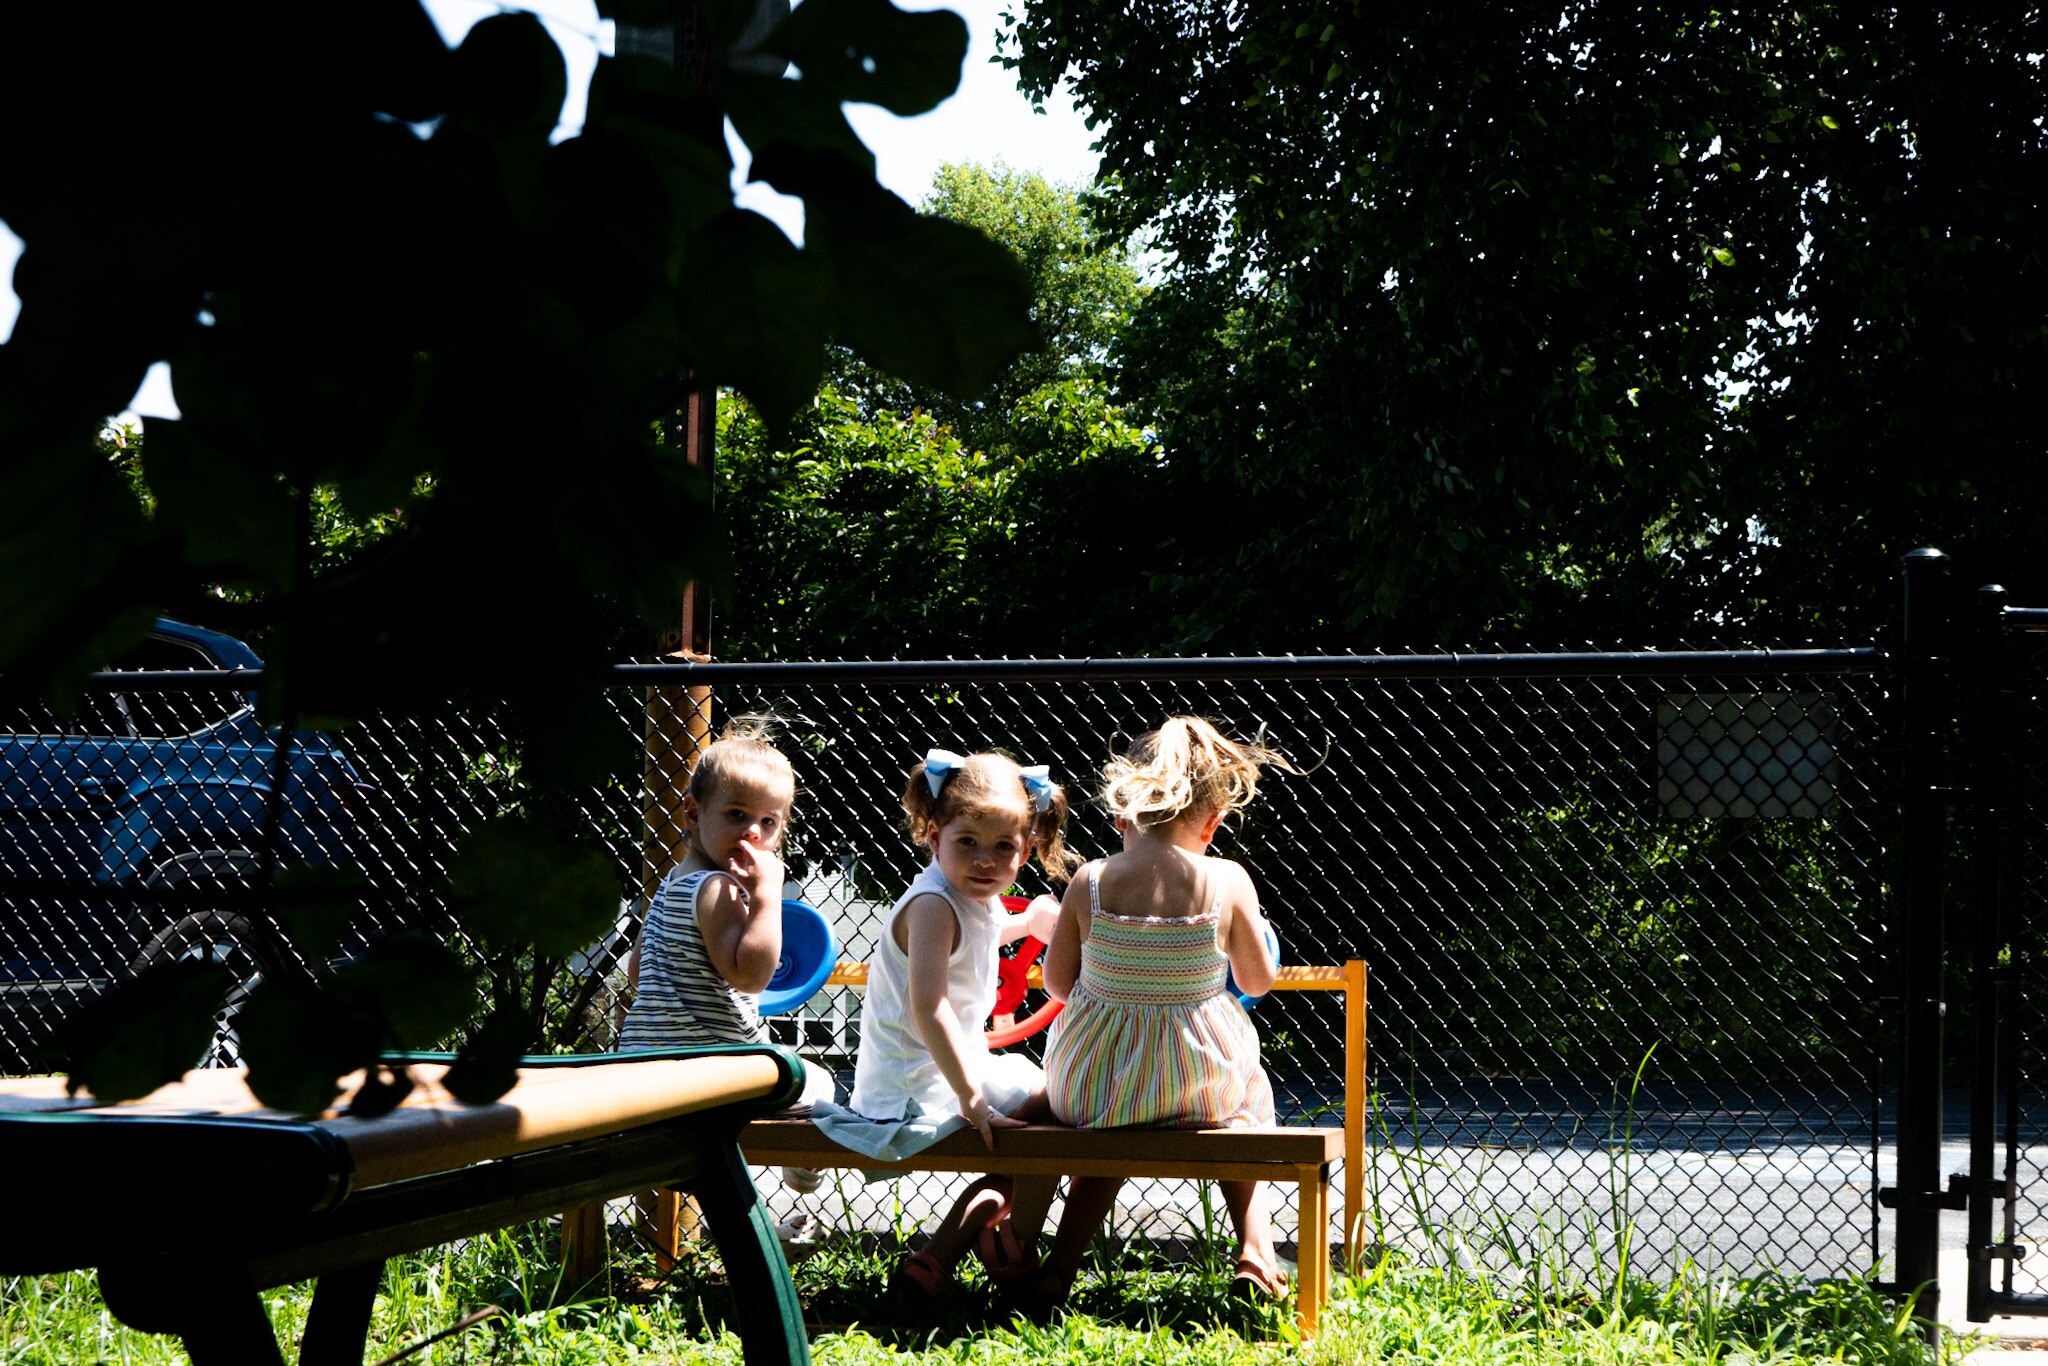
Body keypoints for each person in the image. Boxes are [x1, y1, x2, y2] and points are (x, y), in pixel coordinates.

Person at [1027, 716, 1295, 1312]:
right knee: (1245, 1110)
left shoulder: (1090, 880)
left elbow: (1059, 984)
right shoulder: (1227, 880)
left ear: (1122, 815)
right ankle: (1255, 1249)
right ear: (1213, 822)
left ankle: (1059, 1267)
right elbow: (1257, 980)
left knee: (1116, 1125)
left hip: (1093, 1086)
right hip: (1201, 1085)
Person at [846, 748, 1080, 1302]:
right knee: (1059, 1102)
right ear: (933, 837)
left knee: (1048, 1113)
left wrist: (1027, 922)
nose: (985, 860)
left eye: (1003, 847)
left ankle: (940, 1256)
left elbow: (978, 940)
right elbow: (930, 1007)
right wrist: (971, 1097)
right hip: (912, 1088)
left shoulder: (972, 898)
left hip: (943, 1069)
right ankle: (1014, 1249)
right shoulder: (932, 906)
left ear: (1025, 852)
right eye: (967, 843)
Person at [619, 719, 834, 1188]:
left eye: (768, 821)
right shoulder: (719, 890)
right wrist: (768, 895)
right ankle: (802, 1166)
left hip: (641, 1063)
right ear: (693, 814)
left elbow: (637, 972)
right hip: (715, 1072)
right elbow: (752, 976)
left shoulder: (671, 885)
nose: (752, 833)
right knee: (819, 1082)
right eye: (737, 815)